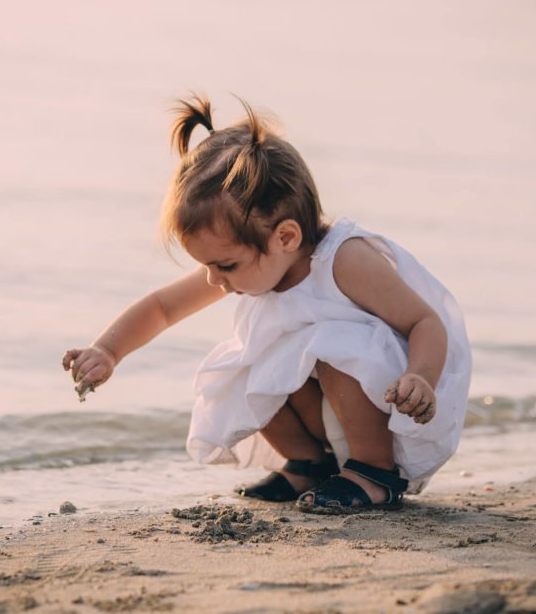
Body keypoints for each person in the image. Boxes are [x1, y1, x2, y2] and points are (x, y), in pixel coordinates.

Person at [62, 94, 471, 514]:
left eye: (224, 265)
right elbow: (163, 308)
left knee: (333, 346)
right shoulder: (251, 262)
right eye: (207, 266)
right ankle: (311, 464)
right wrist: (108, 350)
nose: (213, 279)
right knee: (249, 360)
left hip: (390, 411)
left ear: (286, 237)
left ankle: (374, 475)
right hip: (334, 419)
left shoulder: (343, 261)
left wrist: (421, 377)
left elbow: (425, 320)